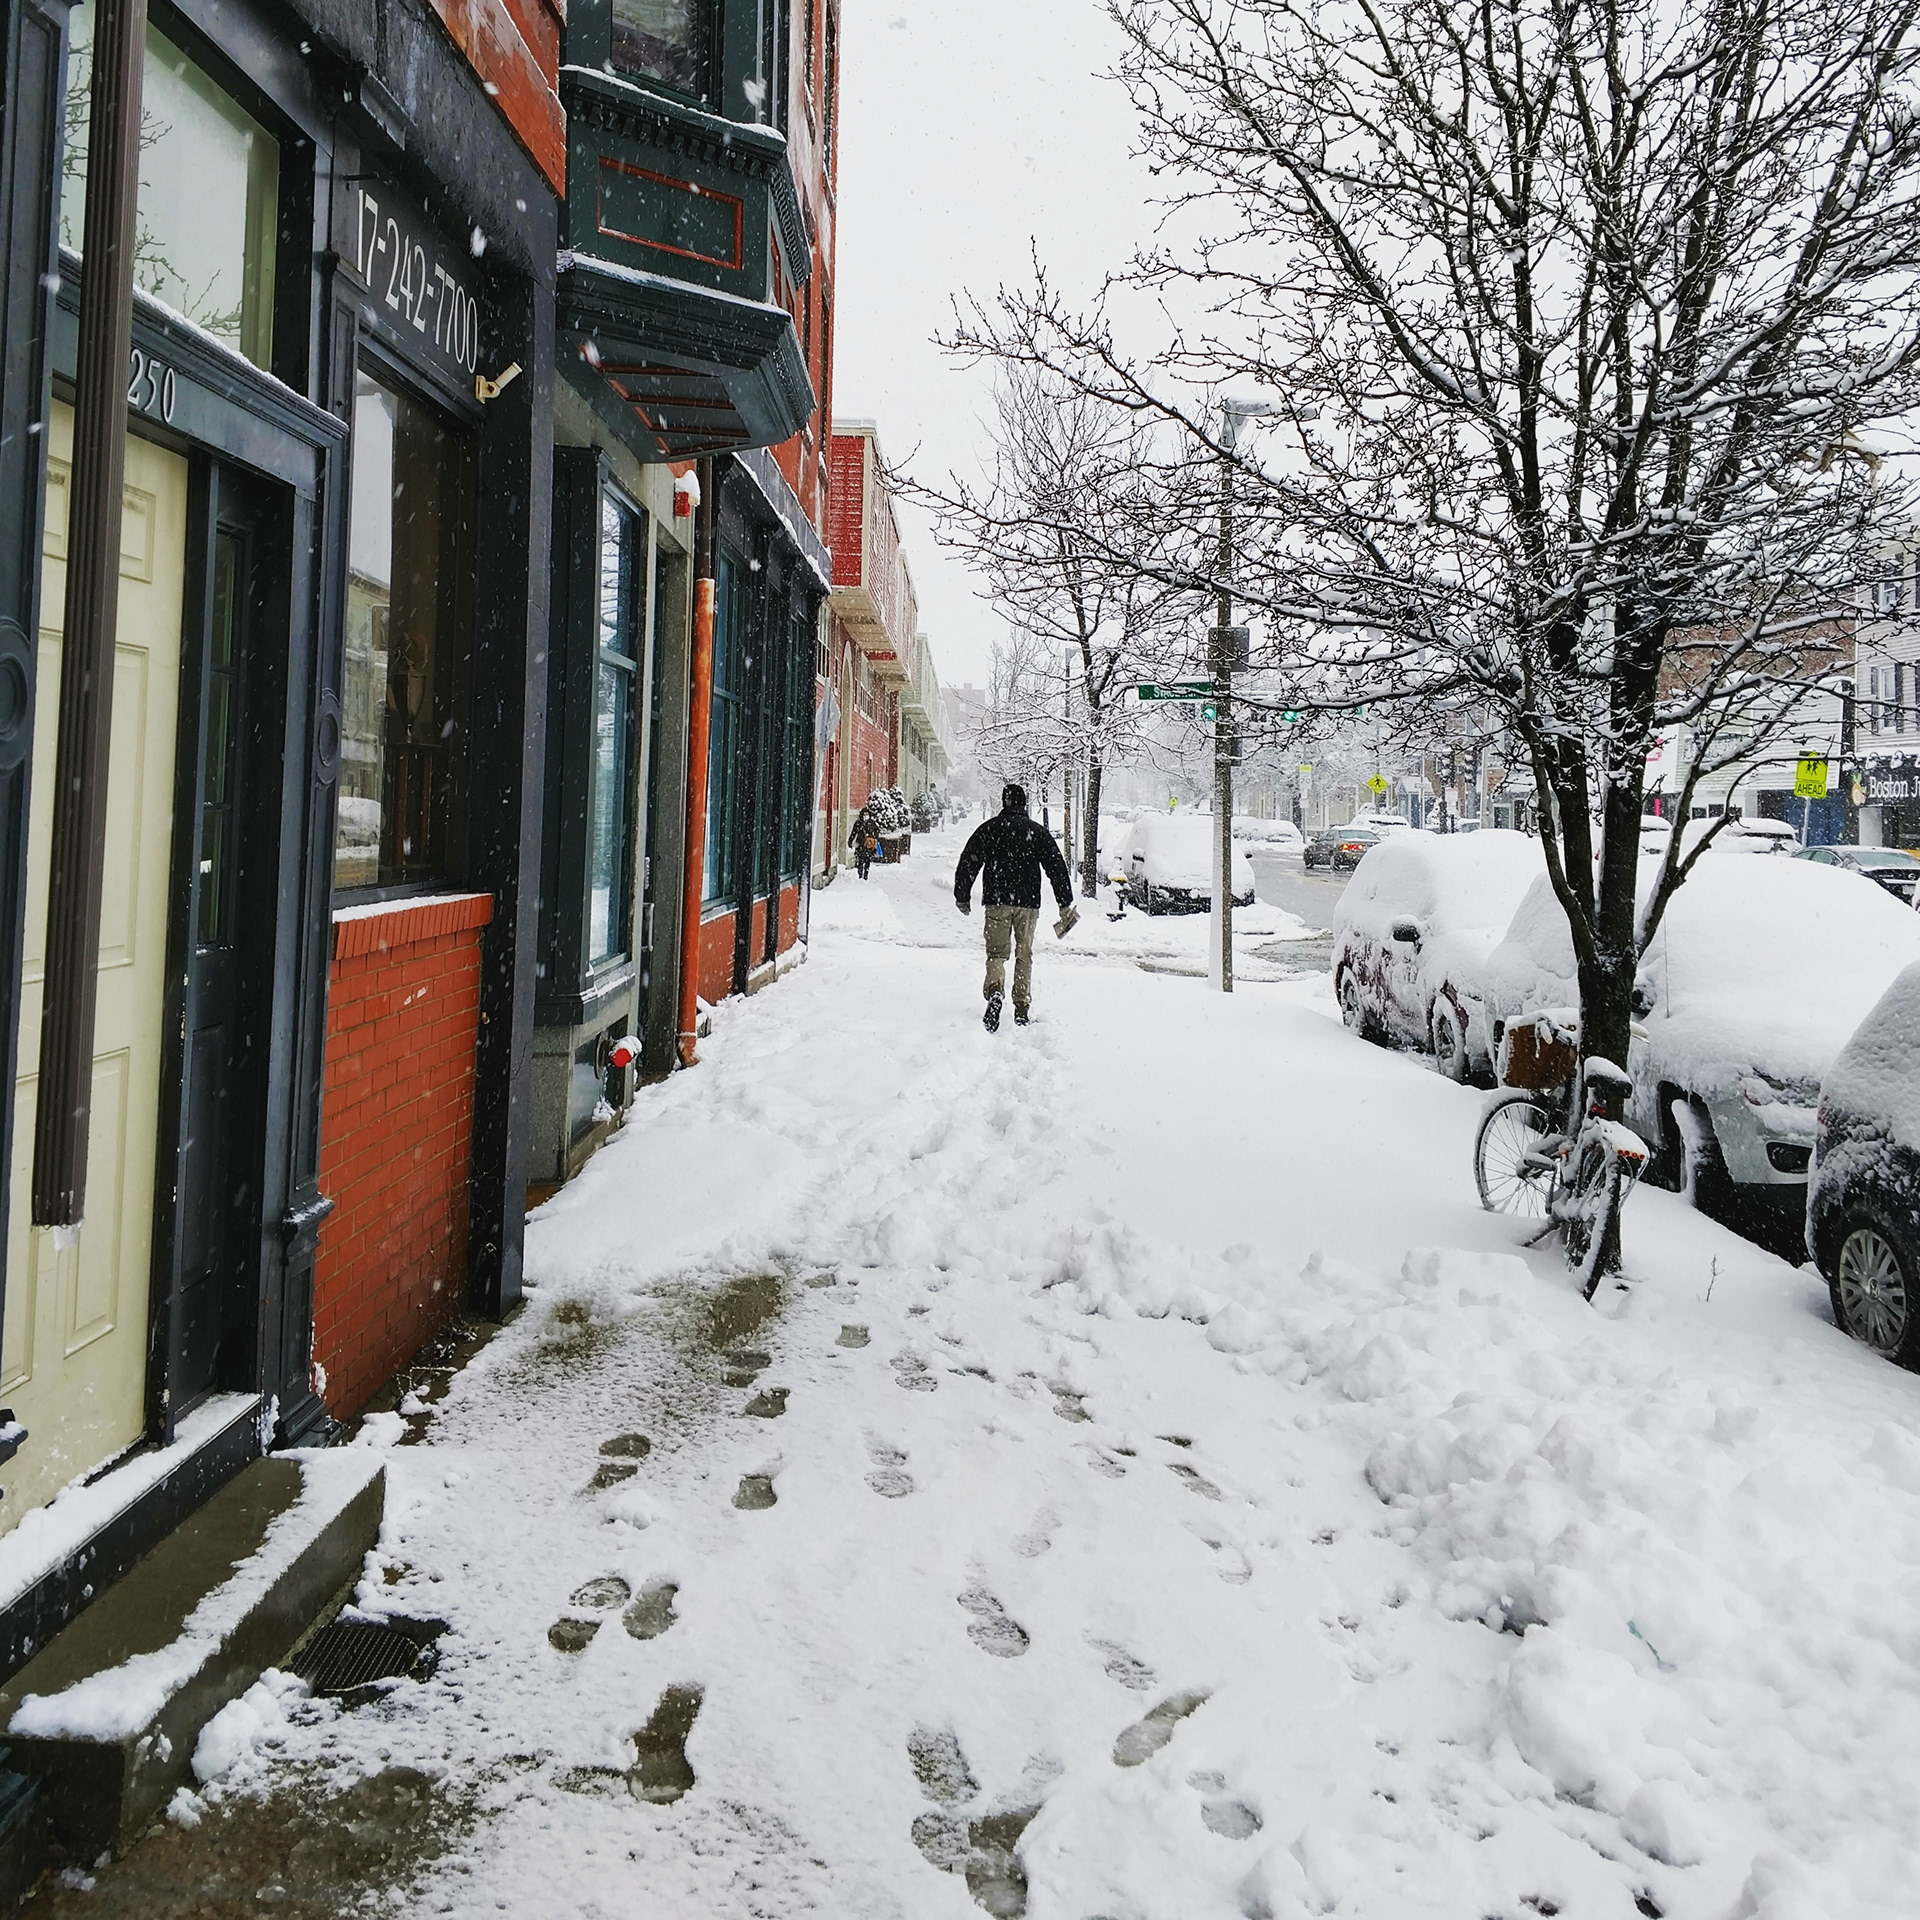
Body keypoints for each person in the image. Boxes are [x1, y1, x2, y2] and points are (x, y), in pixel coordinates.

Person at [953, 782, 1075, 1030]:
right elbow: (1056, 867)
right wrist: (1064, 903)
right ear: (1024, 803)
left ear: (1004, 801)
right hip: (1028, 904)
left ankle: (996, 990)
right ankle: (1021, 1006)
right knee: (1024, 953)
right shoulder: (1036, 832)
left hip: (997, 900)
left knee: (996, 953)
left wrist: (962, 894)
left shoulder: (990, 829)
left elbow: (970, 859)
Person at [848, 805, 880, 880]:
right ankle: (861, 875)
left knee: (867, 861)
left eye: (867, 815)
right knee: (861, 861)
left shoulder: (871, 823)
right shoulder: (860, 823)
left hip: (868, 846)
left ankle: (865, 875)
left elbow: (877, 831)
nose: (865, 816)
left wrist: (873, 838)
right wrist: (850, 841)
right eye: (864, 815)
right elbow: (854, 833)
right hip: (861, 845)